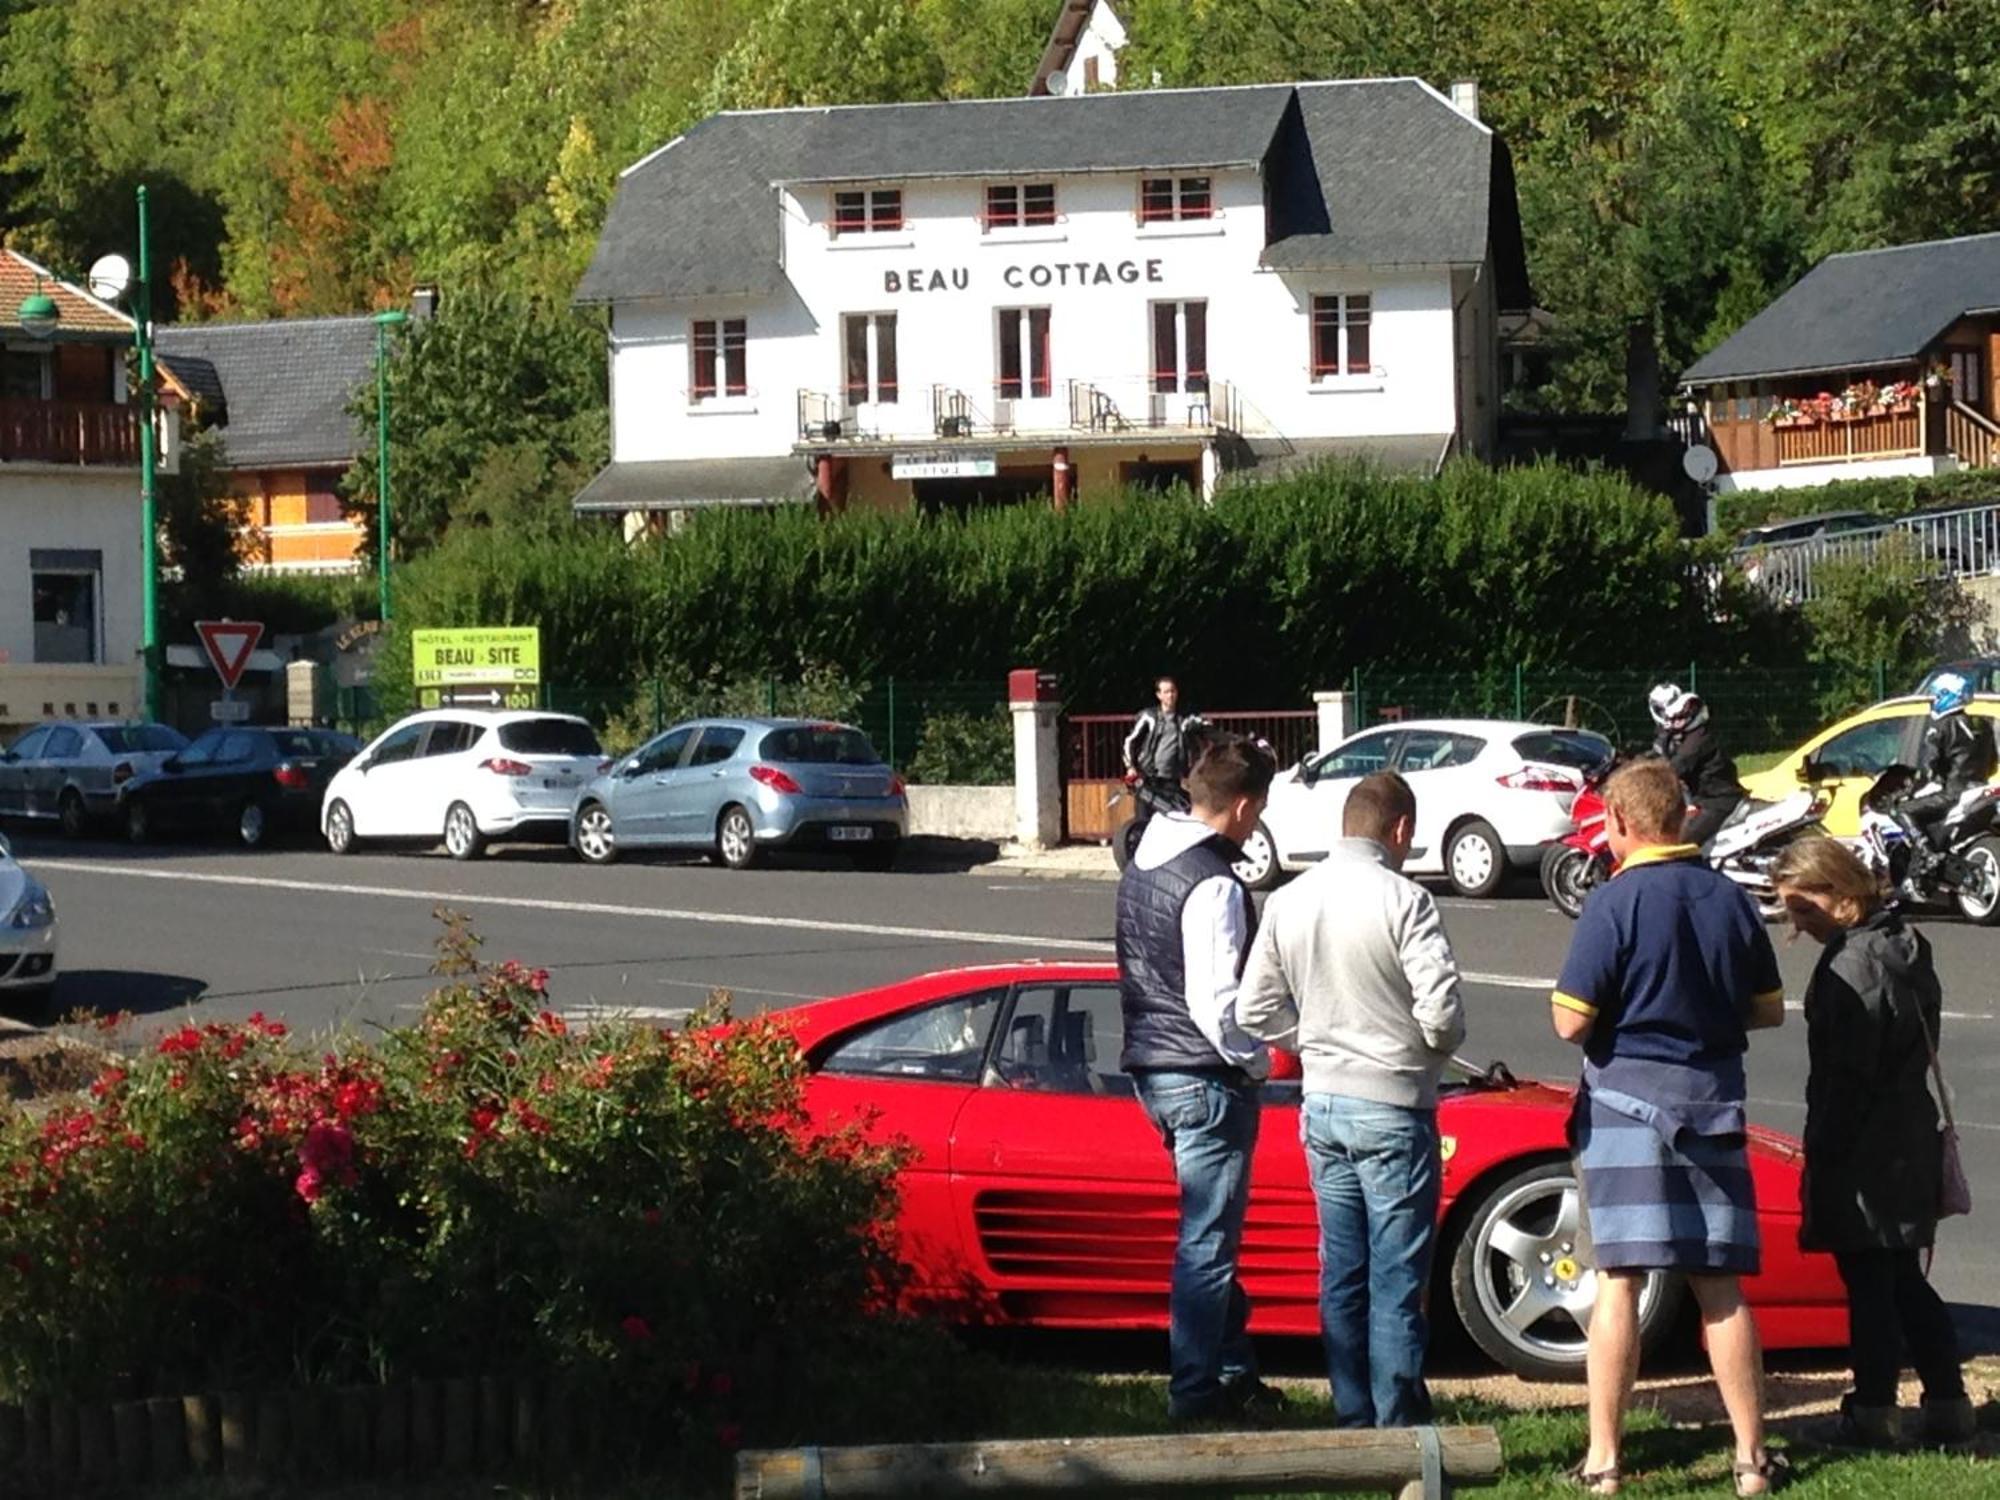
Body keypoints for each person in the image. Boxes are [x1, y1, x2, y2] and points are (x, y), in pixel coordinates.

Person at [1550, 757, 1787, 1498]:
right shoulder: (1728, 899)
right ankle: (1751, 1458)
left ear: (1619, 823)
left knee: (1618, 1281)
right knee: (1720, 1286)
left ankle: (1605, 1461)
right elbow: (1769, 1008)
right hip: (1712, 1101)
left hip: (1624, 1108)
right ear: (1684, 814)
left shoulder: (1613, 903)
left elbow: (1569, 1021)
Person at [1238, 771, 1467, 1428]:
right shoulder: (1407, 900)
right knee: (1397, 1278)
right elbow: (1442, 1012)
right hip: (1393, 1104)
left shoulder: (1288, 898)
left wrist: (1309, 1038)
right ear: (1399, 830)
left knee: (1342, 1268)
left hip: (1324, 1102)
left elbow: (1254, 1007)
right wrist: (1426, 1048)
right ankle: (1397, 1423)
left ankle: (1352, 1412)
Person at [1770, 837, 1975, 1450]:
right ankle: (1948, 1402)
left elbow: (1847, 1074)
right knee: (1903, 1279)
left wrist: (1825, 1151)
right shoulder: (1905, 945)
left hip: (1864, 1142)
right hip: (1908, 1127)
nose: (1799, 925)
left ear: (1841, 894)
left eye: (1805, 909)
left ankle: (1874, 1410)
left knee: (1870, 1285)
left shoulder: (1850, 965)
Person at [1116, 729, 1281, 1424]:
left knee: (1208, 1232)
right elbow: (1218, 1005)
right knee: (1208, 1244)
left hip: (1152, 1068)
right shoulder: (1213, 881)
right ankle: (1195, 1392)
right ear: (1243, 807)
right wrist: (1257, 1061)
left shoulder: (1144, 860)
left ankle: (1234, 1369)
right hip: (1206, 1074)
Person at [1895, 670, 1996, 872]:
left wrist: (1911, 787)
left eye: (1937, 696)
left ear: (1947, 696)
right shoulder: (1983, 724)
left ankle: (1927, 852)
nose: (1933, 701)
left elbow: (1930, 767)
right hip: (1980, 789)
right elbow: (1993, 761)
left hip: (1952, 794)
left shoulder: (1941, 727)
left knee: (1901, 810)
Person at [1647, 682, 1743, 847]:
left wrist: (1645, 781)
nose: (1676, 722)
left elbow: (1675, 767)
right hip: (1703, 800)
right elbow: (1657, 754)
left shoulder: (1698, 741)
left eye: (1681, 718)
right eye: (1675, 718)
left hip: (1716, 802)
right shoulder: (1689, 735)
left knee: (1678, 843)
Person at [1123, 677, 1206, 829]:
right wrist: (1130, 766)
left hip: (1172, 779)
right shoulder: (1149, 717)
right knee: (1143, 822)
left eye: (1173, 691)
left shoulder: (1183, 718)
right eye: (1166, 692)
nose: (1170, 695)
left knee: (1172, 820)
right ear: (1159, 695)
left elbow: (1202, 725)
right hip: (1148, 778)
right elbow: (1130, 741)